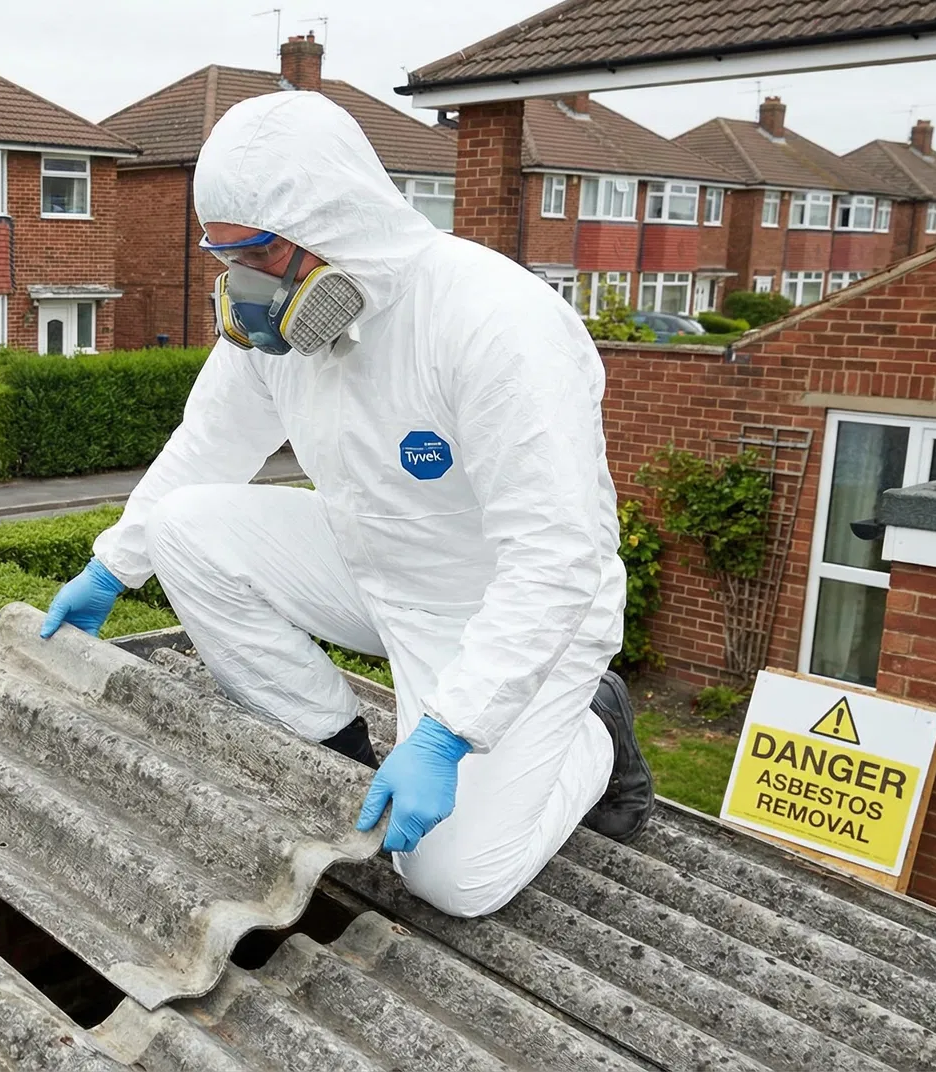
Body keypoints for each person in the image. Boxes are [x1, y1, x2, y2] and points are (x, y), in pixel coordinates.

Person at [39, 91, 653, 918]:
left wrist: (447, 732)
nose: (244, 284)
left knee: (453, 880)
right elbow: (209, 443)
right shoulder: (277, 334)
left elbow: (557, 556)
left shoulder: (494, 321)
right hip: (376, 570)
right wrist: (113, 567)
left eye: (259, 253)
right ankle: (338, 748)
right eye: (225, 255)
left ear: (336, 225)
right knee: (186, 527)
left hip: (509, 613)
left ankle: (596, 733)